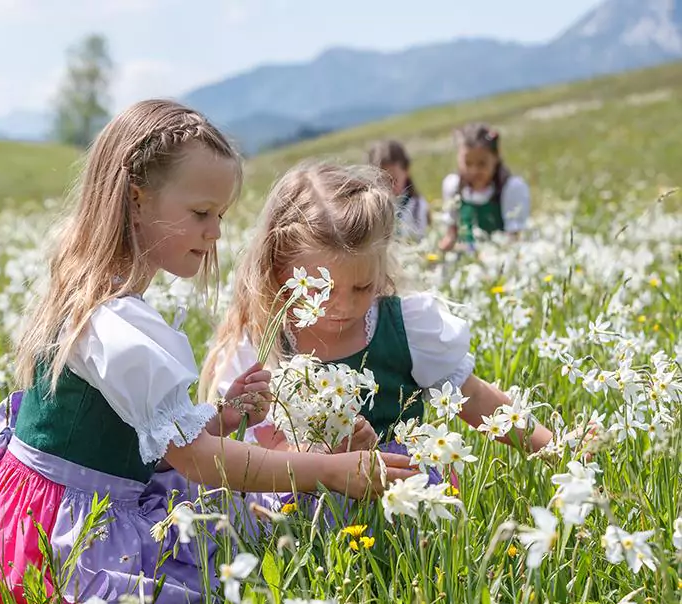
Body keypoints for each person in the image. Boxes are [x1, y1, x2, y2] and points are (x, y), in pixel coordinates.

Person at [0, 101, 416, 604]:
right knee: (236, 578)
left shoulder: (91, 291)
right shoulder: (120, 322)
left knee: (244, 526)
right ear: (137, 198)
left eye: (222, 217)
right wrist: (326, 472)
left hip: (29, 522)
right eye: (201, 213)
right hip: (73, 544)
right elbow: (197, 462)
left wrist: (219, 415)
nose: (215, 235)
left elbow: (135, 433)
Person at [202, 161, 555, 468]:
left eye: (361, 288)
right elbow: (256, 447)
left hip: (401, 487)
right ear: (279, 272)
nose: (342, 305)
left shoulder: (404, 327)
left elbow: (475, 399)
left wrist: (555, 450)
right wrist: (321, 457)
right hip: (304, 503)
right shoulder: (263, 345)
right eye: (319, 291)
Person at [439, 123, 531, 252]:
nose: (474, 170)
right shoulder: (453, 187)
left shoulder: (510, 188)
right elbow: (451, 234)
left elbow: (514, 237)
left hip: (500, 258)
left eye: (482, 164)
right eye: (467, 163)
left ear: (496, 158)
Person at [368, 139, 428, 238]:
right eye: (381, 181)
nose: (388, 187)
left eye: (394, 180)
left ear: (406, 170)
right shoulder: (371, 212)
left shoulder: (417, 206)